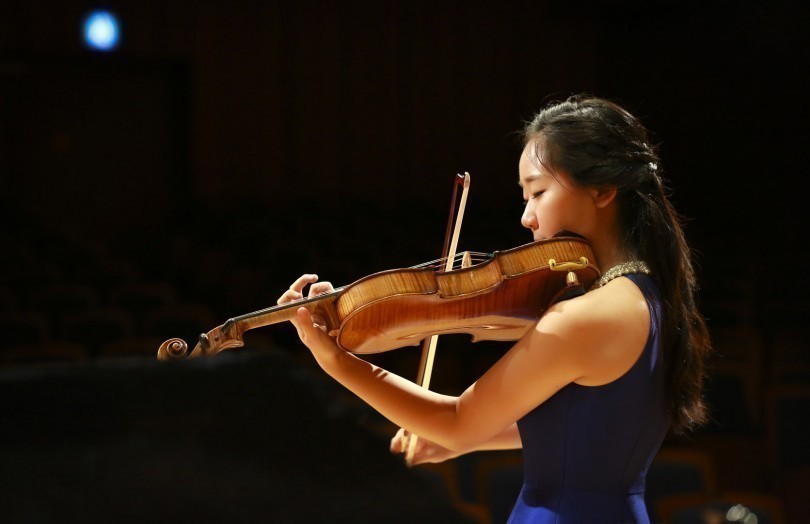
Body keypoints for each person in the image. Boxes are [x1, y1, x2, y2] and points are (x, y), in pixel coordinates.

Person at [276, 95, 710, 523]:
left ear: (602, 191)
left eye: (538, 192)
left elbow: (456, 420)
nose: (527, 217)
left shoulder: (585, 316)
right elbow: (587, 431)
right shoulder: (649, 296)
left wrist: (334, 361)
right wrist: (473, 440)